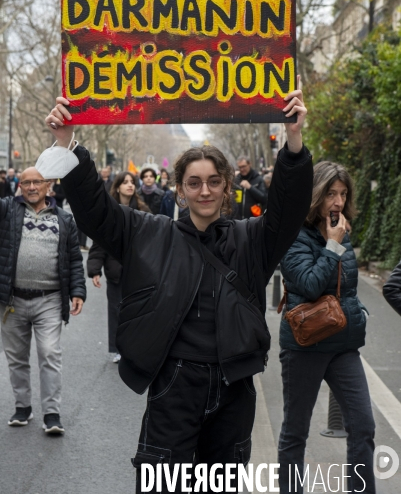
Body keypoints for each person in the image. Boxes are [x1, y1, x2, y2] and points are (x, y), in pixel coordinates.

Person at [45, 82, 312, 492]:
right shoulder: (147, 232)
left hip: (233, 387)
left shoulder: (252, 239)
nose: (204, 190)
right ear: (180, 190)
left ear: (226, 187)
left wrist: (293, 142)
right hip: (174, 384)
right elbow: (96, 214)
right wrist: (69, 145)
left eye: (212, 181)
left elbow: (288, 209)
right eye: (193, 182)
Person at [278, 161, 375, 494]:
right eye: (330, 194)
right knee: (295, 433)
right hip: (305, 346)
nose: (337, 202)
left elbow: (344, 288)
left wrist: (357, 313)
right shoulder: (294, 235)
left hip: (344, 345)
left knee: (363, 427)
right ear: (315, 194)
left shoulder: (342, 231)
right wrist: (332, 246)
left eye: (343, 194)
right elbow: (308, 284)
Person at [0, 167, 86, 434]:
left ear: (48, 184)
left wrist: (78, 291)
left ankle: (52, 413)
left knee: (49, 353)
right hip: (12, 299)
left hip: (49, 299)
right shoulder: (7, 211)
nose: (32, 186)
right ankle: (22, 407)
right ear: (20, 186)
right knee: (16, 358)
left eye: (37, 181)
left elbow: (73, 258)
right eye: (26, 182)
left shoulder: (64, 219)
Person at [87, 171, 149, 363]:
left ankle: (137, 347)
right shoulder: (108, 211)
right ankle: (116, 348)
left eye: (132, 182)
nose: (130, 185)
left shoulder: (143, 210)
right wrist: (95, 269)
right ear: (118, 186)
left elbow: (152, 240)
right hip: (115, 271)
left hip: (138, 270)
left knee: (138, 310)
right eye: (125, 182)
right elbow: (100, 242)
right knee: (116, 310)